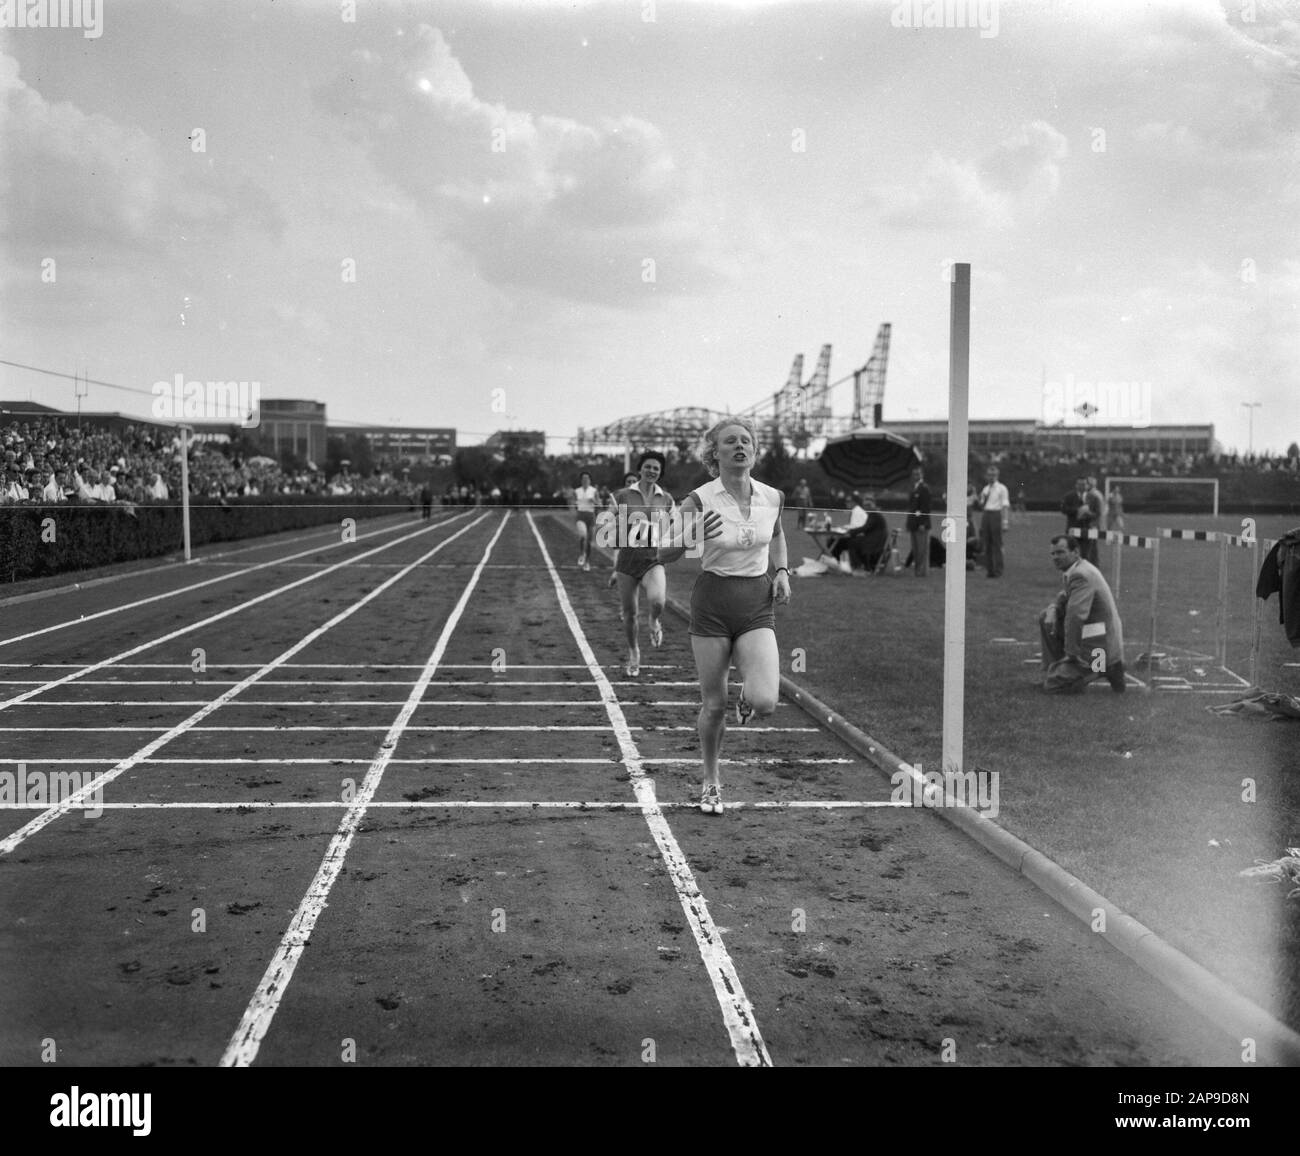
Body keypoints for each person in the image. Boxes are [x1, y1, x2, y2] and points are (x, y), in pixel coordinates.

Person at [664, 417, 789, 814]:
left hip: (756, 602)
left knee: (765, 701)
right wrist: (691, 537)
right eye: (729, 441)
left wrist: (782, 570)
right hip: (713, 602)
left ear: (754, 451)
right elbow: (661, 553)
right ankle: (711, 780)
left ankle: (747, 697)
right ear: (714, 453)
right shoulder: (698, 500)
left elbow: (779, 534)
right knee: (714, 705)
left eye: (746, 441)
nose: (740, 446)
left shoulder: (772, 497)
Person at [608, 452, 674, 676]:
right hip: (627, 560)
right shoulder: (623, 495)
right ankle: (634, 651)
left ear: (660, 472)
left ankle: (654, 622)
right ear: (640, 469)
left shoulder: (666, 498)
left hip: (653, 559)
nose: (652, 471)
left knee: (658, 601)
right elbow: (606, 521)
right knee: (629, 613)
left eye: (656, 468)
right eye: (648, 466)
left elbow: (676, 525)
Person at [1038, 534, 1126, 694]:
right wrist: (1053, 609)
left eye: (1061, 552)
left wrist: (1071, 654)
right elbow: (1064, 596)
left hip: (1099, 646)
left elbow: (1075, 616)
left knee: (1053, 685)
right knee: (1046, 616)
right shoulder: (1078, 569)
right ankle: (1064, 669)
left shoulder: (1081, 575)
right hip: (1099, 637)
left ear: (1076, 552)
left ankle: (1102, 668)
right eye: (1053, 554)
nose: (1055, 557)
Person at [977, 465, 1010, 577]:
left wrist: (1005, 522)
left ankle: (998, 570)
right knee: (987, 543)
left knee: (997, 543)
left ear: (997, 475)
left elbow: (1005, 505)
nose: (991, 477)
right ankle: (990, 569)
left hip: (996, 514)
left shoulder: (1002, 488)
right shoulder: (985, 489)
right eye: (990, 475)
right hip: (986, 514)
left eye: (994, 475)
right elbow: (981, 505)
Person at [1061, 476, 1100, 564]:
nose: (1082, 486)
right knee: (1071, 553)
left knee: (1085, 555)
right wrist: (1077, 510)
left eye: (1084, 484)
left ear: (1087, 485)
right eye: (1079, 484)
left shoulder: (1093, 497)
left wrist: (1089, 514)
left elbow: (1097, 513)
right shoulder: (1069, 496)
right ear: (1076, 485)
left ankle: (1083, 573)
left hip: (1087, 530)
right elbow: (1064, 509)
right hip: (1072, 529)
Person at [905, 465, 932, 577]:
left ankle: (923, 571)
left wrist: (923, 523)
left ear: (922, 475)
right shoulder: (914, 488)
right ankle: (917, 571)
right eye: (914, 474)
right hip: (913, 523)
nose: (916, 476)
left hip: (921, 524)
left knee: (922, 549)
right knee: (916, 550)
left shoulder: (924, 488)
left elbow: (926, 507)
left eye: (918, 474)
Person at [573, 470, 599, 571]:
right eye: (583, 478)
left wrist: (594, 501)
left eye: (587, 478)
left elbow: (599, 504)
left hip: (591, 516)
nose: (585, 480)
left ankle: (587, 562)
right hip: (581, 515)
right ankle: (582, 554)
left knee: (589, 541)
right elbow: (574, 504)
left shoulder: (594, 491)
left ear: (590, 480)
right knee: (583, 535)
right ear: (581, 480)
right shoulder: (576, 491)